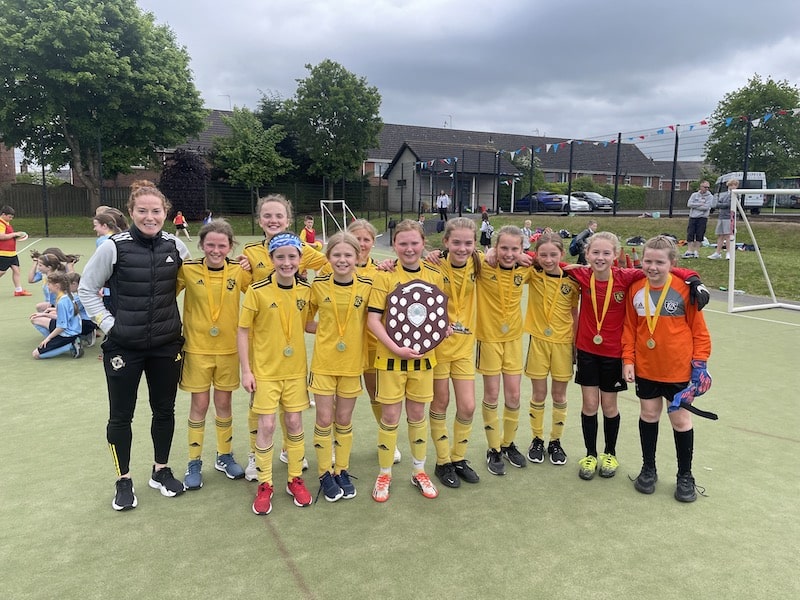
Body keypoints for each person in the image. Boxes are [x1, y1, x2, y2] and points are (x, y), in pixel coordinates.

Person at [79, 180, 191, 511]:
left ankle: (161, 470)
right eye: (142, 211)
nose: (149, 217)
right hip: (123, 347)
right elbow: (87, 288)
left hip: (165, 345)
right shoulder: (113, 247)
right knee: (121, 415)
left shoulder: (175, 246)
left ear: (165, 213)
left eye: (156, 211)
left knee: (164, 410)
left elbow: (197, 280)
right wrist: (110, 325)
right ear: (131, 212)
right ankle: (123, 478)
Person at [241, 195, 327, 481]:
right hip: (262, 336)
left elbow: (329, 265)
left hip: (290, 334)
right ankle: (254, 455)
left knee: (290, 406)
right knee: (260, 404)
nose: (273, 220)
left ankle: (290, 450)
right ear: (259, 220)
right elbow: (243, 288)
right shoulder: (251, 252)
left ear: (288, 220)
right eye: (267, 216)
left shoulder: (302, 248)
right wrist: (242, 270)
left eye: (279, 216)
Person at [622, 235, 712, 502]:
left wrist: (700, 364)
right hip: (646, 368)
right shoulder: (635, 289)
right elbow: (630, 328)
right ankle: (648, 468)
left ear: (672, 263)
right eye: (648, 261)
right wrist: (628, 360)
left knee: (681, 421)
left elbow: (699, 332)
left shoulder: (685, 290)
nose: (652, 267)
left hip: (679, 371)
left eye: (659, 262)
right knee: (649, 415)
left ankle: (685, 476)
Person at [367, 219, 448, 502]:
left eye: (414, 243)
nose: (409, 248)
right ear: (394, 245)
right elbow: (373, 320)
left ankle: (418, 470)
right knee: (390, 417)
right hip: (390, 360)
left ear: (424, 243)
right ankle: (384, 473)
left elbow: (437, 317)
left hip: (423, 360)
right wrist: (396, 348)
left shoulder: (434, 275)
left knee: (417, 416)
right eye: (403, 243)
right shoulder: (384, 275)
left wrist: (442, 331)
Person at [238, 233, 313, 515]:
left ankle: (295, 479)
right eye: (280, 257)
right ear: (271, 259)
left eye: (292, 257)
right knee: (267, 426)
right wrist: (247, 370)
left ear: (300, 259)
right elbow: (243, 331)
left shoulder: (306, 291)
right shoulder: (257, 291)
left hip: (295, 372)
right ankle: (265, 483)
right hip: (265, 372)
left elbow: (310, 324)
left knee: (294, 422)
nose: (286, 262)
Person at [178, 219, 252, 490]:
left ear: (230, 246)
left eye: (222, 245)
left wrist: (252, 266)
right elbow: (162, 295)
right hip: (197, 350)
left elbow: (260, 292)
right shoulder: (187, 269)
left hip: (228, 350)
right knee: (199, 405)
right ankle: (194, 461)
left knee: (223, 403)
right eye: (210, 244)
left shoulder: (238, 270)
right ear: (201, 245)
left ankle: (224, 455)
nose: (216, 250)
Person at [306, 231, 372, 501]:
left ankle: (341, 469)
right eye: (337, 255)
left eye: (348, 255)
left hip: (352, 365)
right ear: (328, 257)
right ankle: (324, 472)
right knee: (324, 419)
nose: (342, 260)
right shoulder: (318, 286)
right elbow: (305, 322)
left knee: (343, 419)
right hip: (323, 363)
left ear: (357, 257)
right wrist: (327, 331)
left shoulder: (367, 286)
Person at [428, 217, 482, 488]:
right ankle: (442, 462)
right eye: (457, 242)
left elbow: (509, 255)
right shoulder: (433, 265)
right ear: (446, 242)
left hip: (463, 347)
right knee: (441, 403)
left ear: (475, 244)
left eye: (468, 243)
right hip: (438, 347)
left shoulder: (479, 262)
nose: (462, 248)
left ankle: (458, 458)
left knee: (468, 406)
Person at [346, 219, 403, 465]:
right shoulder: (335, 266)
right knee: (341, 398)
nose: (361, 244)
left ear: (373, 242)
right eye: (356, 239)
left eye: (366, 239)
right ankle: (338, 444)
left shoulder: (382, 270)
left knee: (376, 393)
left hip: (372, 344)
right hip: (344, 347)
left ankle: (387, 440)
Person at [475, 225, 531, 476]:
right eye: (504, 248)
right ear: (495, 247)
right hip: (488, 340)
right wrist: (486, 253)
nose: (509, 254)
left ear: (521, 249)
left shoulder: (525, 270)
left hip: (513, 341)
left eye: (514, 249)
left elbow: (551, 262)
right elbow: (467, 254)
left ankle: (508, 444)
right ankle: (493, 448)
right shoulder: (483, 266)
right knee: (492, 394)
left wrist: (527, 256)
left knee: (514, 395)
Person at [523, 232, 580, 467]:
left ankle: (555, 441)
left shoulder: (573, 280)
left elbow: (574, 313)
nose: (548, 260)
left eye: (553, 255)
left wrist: (576, 343)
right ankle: (537, 439)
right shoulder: (533, 274)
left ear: (562, 254)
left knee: (559, 395)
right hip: (538, 341)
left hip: (564, 343)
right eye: (543, 255)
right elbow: (515, 262)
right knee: (538, 394)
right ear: (536, 255)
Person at [31, 271, 83, 359]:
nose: (47, 286)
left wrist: (48, 338)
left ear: (57, 286)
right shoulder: (67, 296)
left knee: (36, 354)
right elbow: (63, 319)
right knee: (35, 319)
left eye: (49, 284)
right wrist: (43, 315)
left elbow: (61, 327)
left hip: (68, 334)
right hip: (71, 329)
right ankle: (57, 341)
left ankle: (71, 345)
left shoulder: (62, 302)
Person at [0, 205, 32, 296]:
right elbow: (1, 236)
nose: (11, 219)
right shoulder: (1, 223)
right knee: (2, 272)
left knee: (16, 270)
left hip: (12, 253)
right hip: (3, 253)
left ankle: (18, 290)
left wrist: (18, 236)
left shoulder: (7, 223)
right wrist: (15, 234)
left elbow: (8, 236)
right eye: (9, 217)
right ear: (3, 214)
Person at [683, 181, 713, 258]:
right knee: (690, 233)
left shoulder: (710, 197)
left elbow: (706, 207)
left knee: (700, 234)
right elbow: (689, 204)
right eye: (705, 187)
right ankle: (689, 250)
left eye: (708, 187)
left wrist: (696, 206)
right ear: (700, 187)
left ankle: (696, 251)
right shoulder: (694, 195)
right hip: (693, 217)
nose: (706, 189)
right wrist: (700, 204)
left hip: (702, 218)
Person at [709, 179, 737, 260]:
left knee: (728, 235)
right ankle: (717, 252)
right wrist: (721, 205)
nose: (732, 187)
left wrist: (721, 205)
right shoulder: (725, 195)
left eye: (734, 185)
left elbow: (729, 204)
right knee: (720, 235)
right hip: (721, 216)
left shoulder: (735, 195)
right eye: (730, 185)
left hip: (729, 217)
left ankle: (728, 252)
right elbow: (717, 204)